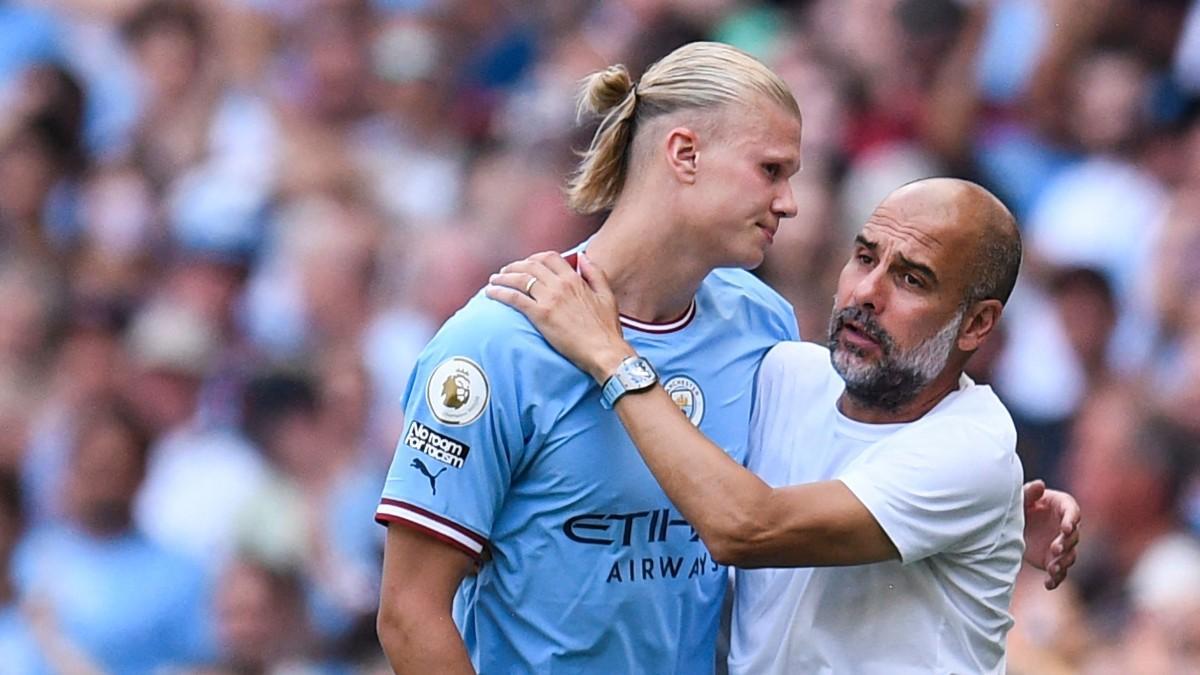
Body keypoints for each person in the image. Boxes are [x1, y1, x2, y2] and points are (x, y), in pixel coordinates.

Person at [376, 43, 1077, 673]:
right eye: (771, 170)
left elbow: (767, 509)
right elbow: (409, 617)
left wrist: (989, 514)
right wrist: (993, 514)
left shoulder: (758, 326)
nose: (790, 203)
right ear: (684, 155)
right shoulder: (496, 343)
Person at [487, 177, 1073, 673]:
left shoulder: (974, 448)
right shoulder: (783, 375)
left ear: (977, 324)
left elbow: (745, 528)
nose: (867, 292)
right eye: (864, 257)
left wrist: (608, 355)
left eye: (912, 280)